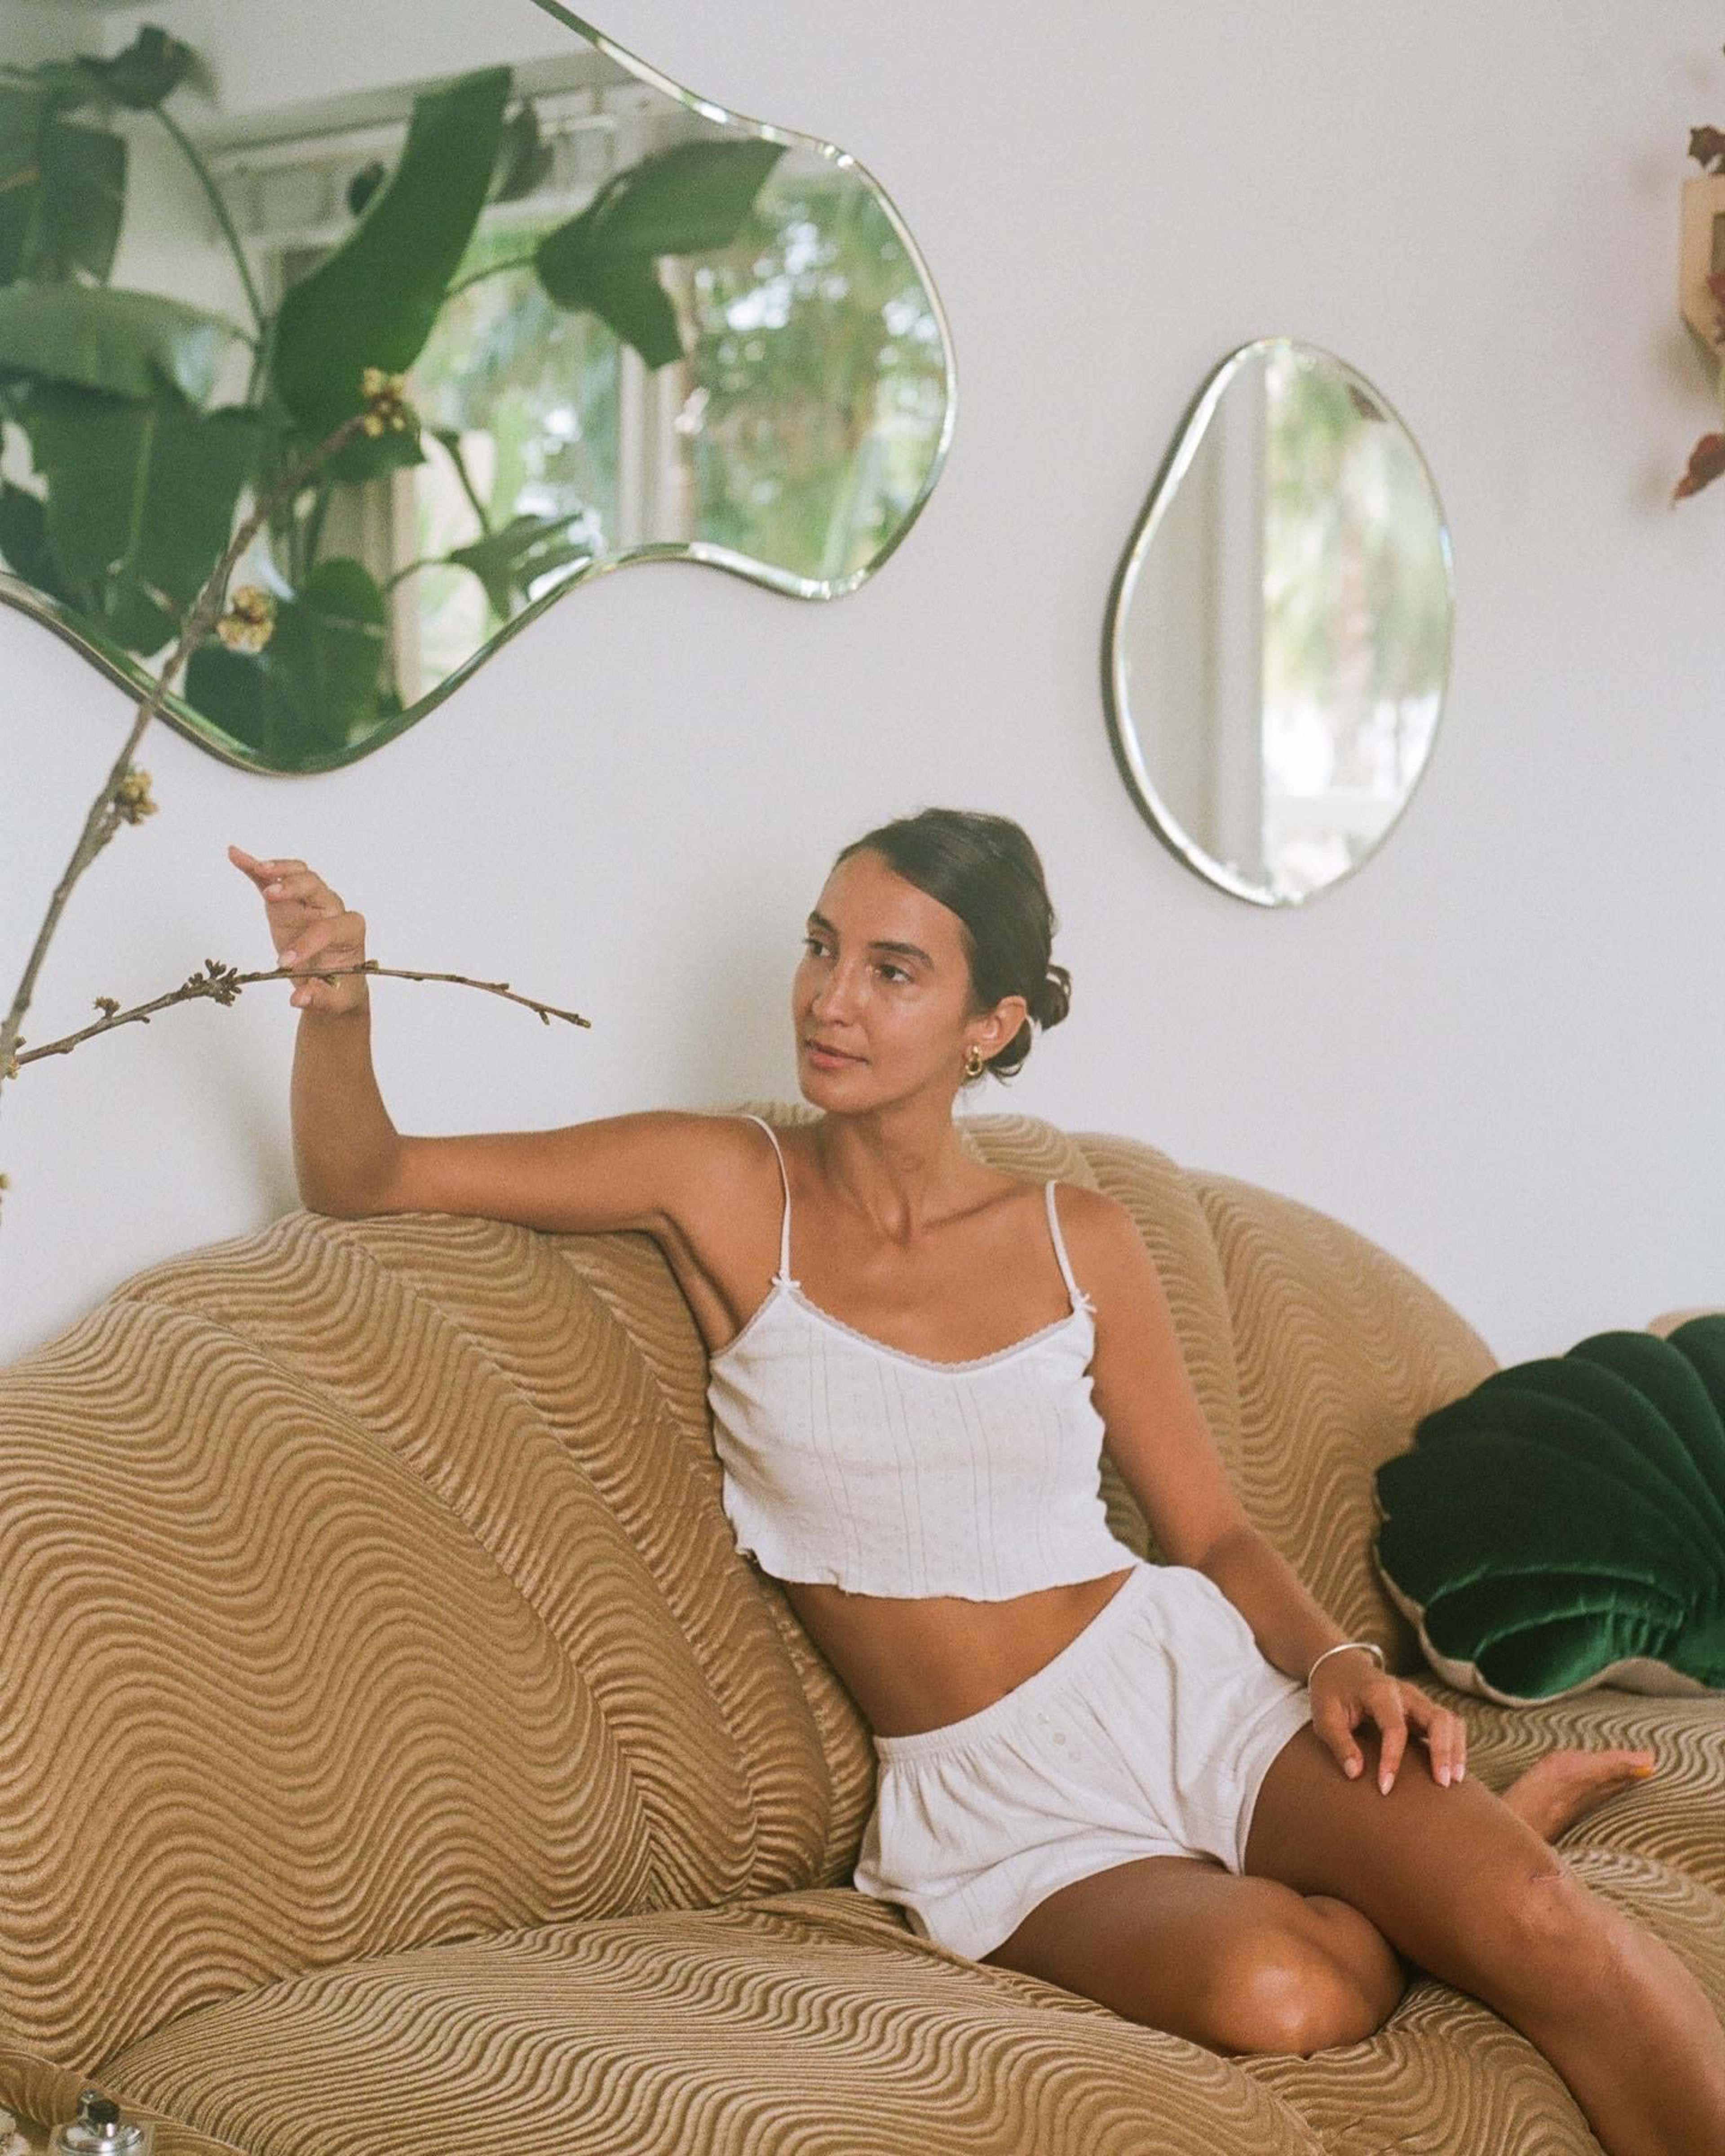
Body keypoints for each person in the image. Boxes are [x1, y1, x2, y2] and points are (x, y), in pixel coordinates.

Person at [229, 813, 1724, 2152]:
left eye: (894, 971)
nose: (829, 999)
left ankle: (1493, 1863)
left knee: (1547, 1933)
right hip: (997, 1798)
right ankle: (1478, 1850)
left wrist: (1335, 1661)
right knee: (1287, 1990)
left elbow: (1203, 1527)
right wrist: (339, 1002)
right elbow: (367, 1175)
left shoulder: (1082, 1240)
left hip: (1188, 1686)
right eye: (823, 949)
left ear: (988, 1024)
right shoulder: (724, 1185)